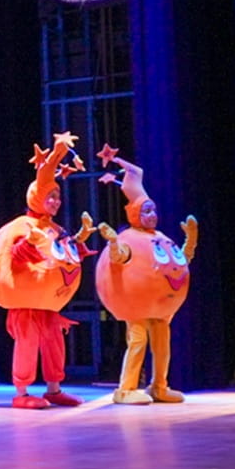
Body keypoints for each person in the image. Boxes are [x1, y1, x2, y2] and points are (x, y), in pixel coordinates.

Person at [0, 131, 93, 408]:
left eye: (57, 196)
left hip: (48, 304)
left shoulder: (56, 228)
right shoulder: (24, 226)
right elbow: (15, 256)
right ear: (37, 198)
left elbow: (64, 257)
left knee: (54, 344)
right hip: (26, 304)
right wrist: (29, 243)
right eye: (49, 196)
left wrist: (78, 245)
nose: (55, 201)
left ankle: (54, 389)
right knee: (27, 343)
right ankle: (21, 393)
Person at [91, 147, 199, 405]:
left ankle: (159, 386)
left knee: (162, 345)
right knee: (138, 340)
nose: (152, 216)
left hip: (161, 307)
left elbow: (179, 262)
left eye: (153, 211)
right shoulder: (130, 238)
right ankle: (126, 389)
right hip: (136, 304)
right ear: (135, 214)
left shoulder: (162, 238)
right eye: (146, 211)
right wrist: (114, 242)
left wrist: (191, 239)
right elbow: (119, 259)